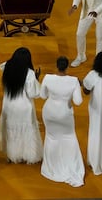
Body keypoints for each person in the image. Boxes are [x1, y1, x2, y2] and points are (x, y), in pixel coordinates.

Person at [40, 56, 85, 187]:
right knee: (68, 138)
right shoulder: (74, 81)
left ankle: (52, 166)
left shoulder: (47, 78)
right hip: (65, 114)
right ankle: (69, 165)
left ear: (56, 66)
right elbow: (78, 101)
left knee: (52, 138)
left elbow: (42, 96)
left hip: (49, 112)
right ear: (67, 66)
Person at [0, 47, 43, 164]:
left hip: (9, 106)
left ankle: (12, 155)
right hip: (24, 108)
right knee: (26, 131)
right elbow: (33, 93)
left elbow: (1, 66)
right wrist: (37, 81)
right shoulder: (29, 74)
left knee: (11, 131)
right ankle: (28, 155)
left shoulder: (6, 67)